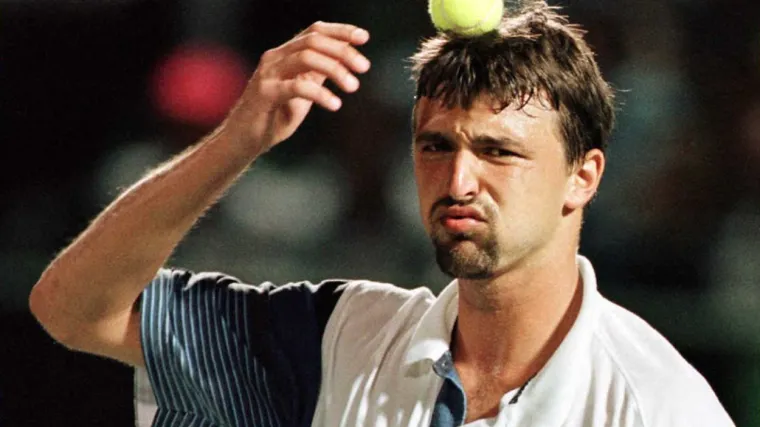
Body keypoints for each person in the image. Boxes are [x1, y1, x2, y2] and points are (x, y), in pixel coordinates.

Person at [30, 2, 734, 426]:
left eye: (499, 151)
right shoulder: (339, 338)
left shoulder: (659, 405)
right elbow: (74, 308)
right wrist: (237, 140)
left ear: (583, 177)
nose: (458, 179)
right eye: (436, 145)